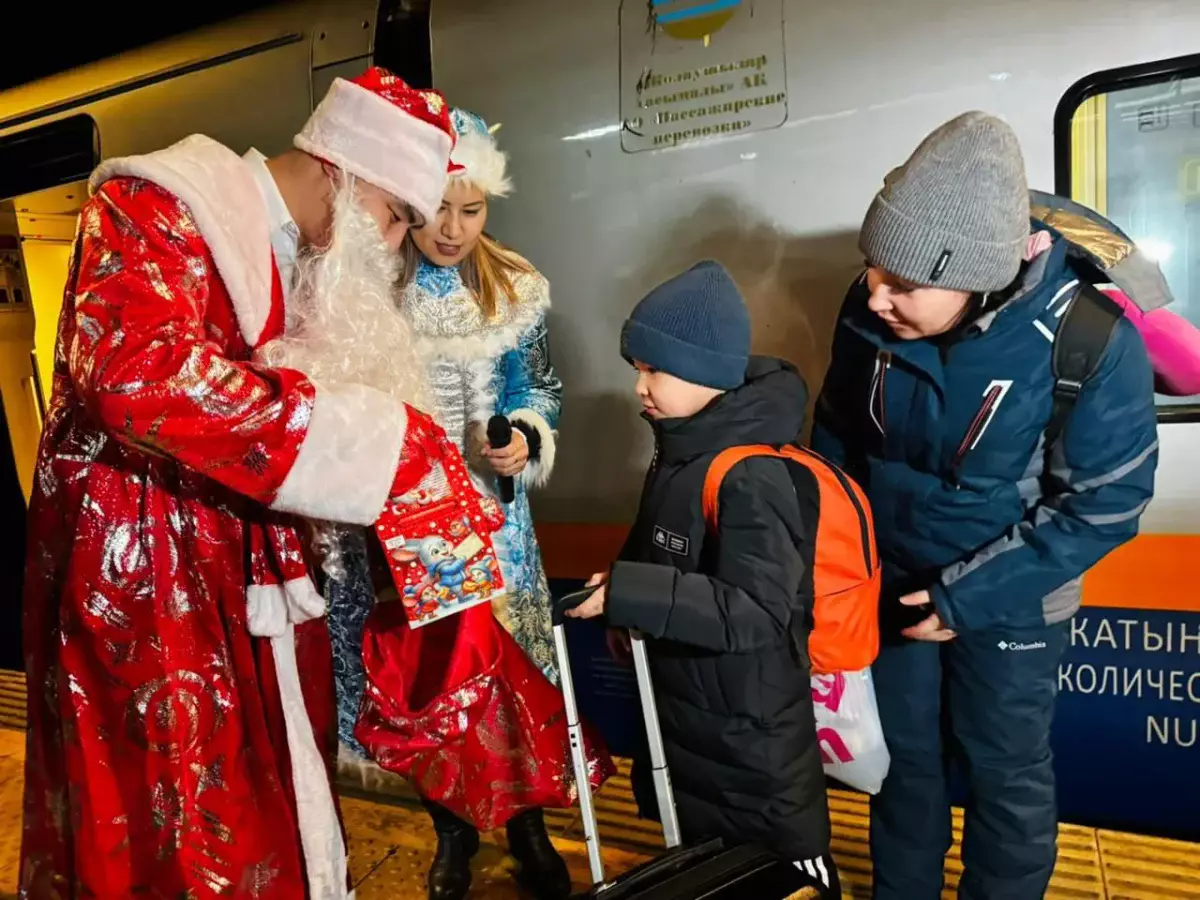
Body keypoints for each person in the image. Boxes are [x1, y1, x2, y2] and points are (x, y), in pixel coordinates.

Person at [20, 67, 463, 900]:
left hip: (236, 588)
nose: (396, 244)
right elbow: (133, 373)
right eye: (396, 216)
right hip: (148, 590)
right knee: (171, 826)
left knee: (250, 810)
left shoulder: (294, 264)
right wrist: (366, 439)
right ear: (346, 171)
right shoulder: (157, 203)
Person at [810, 112, 1159, 900]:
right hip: (891, 588)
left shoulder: (1090, 341)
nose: (875, 294)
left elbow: (1106, 504)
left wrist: (961, 597)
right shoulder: (868, 310)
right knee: (903, 766)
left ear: (975, 278)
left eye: (902, 283)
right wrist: (829, 555)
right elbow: (836, 437)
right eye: (873, 269)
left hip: (1012, 602)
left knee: (1005, 776)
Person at [333, 108, 608, 900]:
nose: (452, 228)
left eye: (472, 207)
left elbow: (539, 388)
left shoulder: (515, 286)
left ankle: (528, 828)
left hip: (499, 529)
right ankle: (451, 831)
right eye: (437, 207)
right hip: (407, 536)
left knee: (514, 680)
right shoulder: (370, 293)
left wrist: (526, 436)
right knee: (432, 687)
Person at [567, 260, 841, 899]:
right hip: (695, 722)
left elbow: (756, 610)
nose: (639, 386)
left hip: (754, 743)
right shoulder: (679, 450)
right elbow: (672, 562)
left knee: (779, 875)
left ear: (705, 372)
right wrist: (626, 598)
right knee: (712, 873)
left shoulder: (751, 475)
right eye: (636, 368)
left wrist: (631, 594)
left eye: (653, 370)